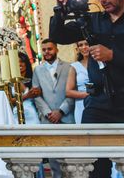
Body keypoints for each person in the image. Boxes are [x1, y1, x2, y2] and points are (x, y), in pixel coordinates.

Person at [50, 0, 124, 178]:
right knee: (93, 166)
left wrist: (113, 55)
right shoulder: (92, 20)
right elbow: (59, 36)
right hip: (98, 104)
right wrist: (60, 13)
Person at [32, 39, 74, 178]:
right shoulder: (38, 70)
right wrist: (48, 113)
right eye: (44, 50)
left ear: (56, 49)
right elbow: (36, 95)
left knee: (71, 160)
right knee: (54, 160)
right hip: (48, 119)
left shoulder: (69, 67)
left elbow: (73, 91)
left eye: (49, 49)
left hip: (67, 117)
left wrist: (61, 111)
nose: (47, 52)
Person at [66, 40, 90, 124]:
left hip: (100, 103)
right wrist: (87, 95)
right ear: (78, 48)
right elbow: (68, 92)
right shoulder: (75, 66)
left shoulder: (101, 63)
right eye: (80, 45)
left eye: (87, 44)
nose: (84, 47)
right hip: (81, 105)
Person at [16, 51, 41, 124]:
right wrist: (27, 95)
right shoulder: (10, 82)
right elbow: (10, 100)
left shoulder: (34, 78)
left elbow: (36, 95)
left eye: (22, 62)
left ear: (26, 63)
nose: (19, 64)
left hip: (32, 112)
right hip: (16, 113)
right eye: (16, 62)